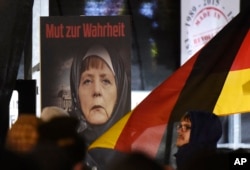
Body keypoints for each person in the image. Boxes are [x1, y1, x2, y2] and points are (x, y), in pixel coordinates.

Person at [69, 43, 130, 145]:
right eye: (87, 81)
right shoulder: (65, 148)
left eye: (106, 81)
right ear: (76, 92)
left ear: (119, 92)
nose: (97, 91)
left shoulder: (133, 147)